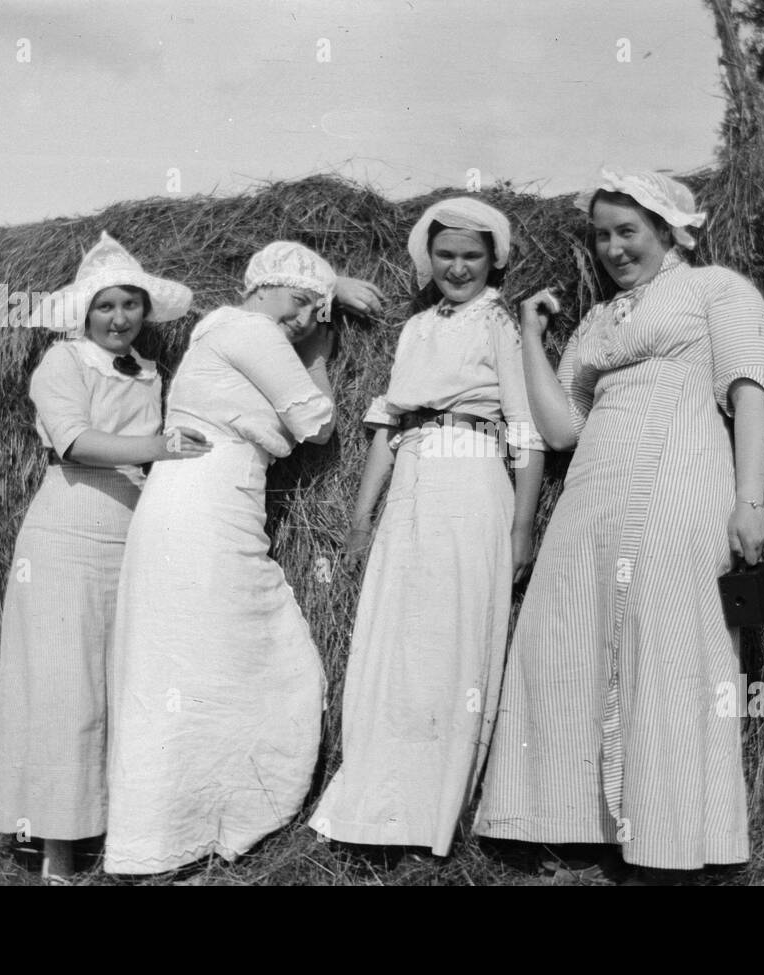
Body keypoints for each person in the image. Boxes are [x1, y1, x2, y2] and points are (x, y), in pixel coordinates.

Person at [474, 168, 764, 883]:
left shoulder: (717, 289)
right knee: (564, 632)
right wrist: (529, 333)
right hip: (593, 491)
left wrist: (751, 499)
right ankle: (566, 822)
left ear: (669, 229)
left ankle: (670, 836)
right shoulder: (598, 321)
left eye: (628, 231)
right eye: (602, 235)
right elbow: (560, 426)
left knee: (667, 637)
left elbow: (749, 387)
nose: (613, 247)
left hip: (680, 474)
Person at [310, 197, 546, 856]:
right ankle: (378, 809)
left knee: (450, 641)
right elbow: (387, 430)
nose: (459, 267)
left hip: (472, 474)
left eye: (472, 255)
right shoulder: (415, 329)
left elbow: (525, 428)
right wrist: (361, 519)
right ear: (428, 257)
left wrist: (524, 524)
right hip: (413, 481)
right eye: (446, 254)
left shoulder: (497, 322)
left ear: (492, 259)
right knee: (396, 639)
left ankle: (430, 817)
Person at [103, 241, 342, 875]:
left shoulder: (231, 332)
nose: (305, 319)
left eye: (316, 310)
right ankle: (178, 831)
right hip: (206, 505)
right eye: (301, 302)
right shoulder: (248, 329)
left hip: (204, 501)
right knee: (216, 657)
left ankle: (189, 828)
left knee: (200, 656)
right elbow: (317, 422)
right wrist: (319, 356)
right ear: (267, 287)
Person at [0, 231, 210, 885]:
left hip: (128, 537)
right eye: (106, 306)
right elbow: (79, 443)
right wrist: (163, 447)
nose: (119, 318)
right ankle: (56, 853)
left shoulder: (149, 373)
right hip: (64, 538)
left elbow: (148, 453)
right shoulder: (61, 364)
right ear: (85, 311)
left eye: (130, 305)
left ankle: (115, 839)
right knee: (64, 691)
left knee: (115, 688)